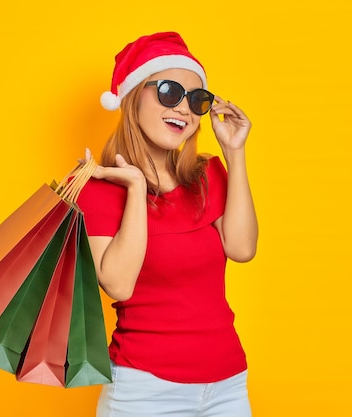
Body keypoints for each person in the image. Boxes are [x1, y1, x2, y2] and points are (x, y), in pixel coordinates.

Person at [76, 31, 258, 417]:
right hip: (144, 392)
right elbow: (119, 284)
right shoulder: (100, 189)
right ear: (134, 97)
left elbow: (242, 249)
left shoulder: (208, 174)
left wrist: (235, 153)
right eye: (169, 92)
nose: (185, 109)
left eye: (197, 100)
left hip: (227, 385)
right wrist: (137, 187)